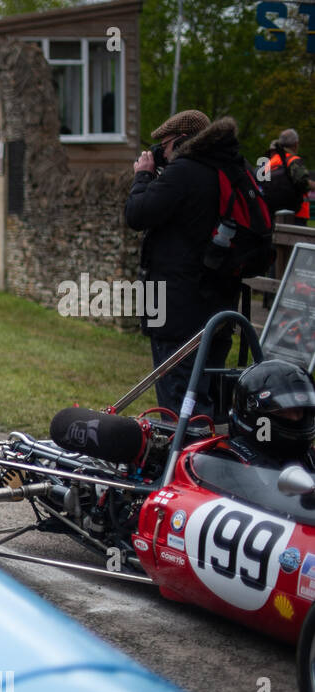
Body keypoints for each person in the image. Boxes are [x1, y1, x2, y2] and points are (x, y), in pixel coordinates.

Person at [125, 109, 249, 420]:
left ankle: (186, 453)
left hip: (178, 311)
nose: (162, 154)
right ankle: (212, 450)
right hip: (220, 308)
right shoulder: (232, 168)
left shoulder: (185, 172)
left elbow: (137, 214)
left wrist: (142, 176)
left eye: (165, 145)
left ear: (182, 141)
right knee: (210, 404)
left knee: (180, 407)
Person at [220, 359, 315, 469]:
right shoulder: (224, 462)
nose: (294, 418)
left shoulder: (310, 457)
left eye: (298, 411)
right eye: (282, 412)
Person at [262, 128, 311, 222]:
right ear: (296, 144)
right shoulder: (293, 160)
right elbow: (304, 183)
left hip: (273, 215)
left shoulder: (269, 163)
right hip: (296, 214)